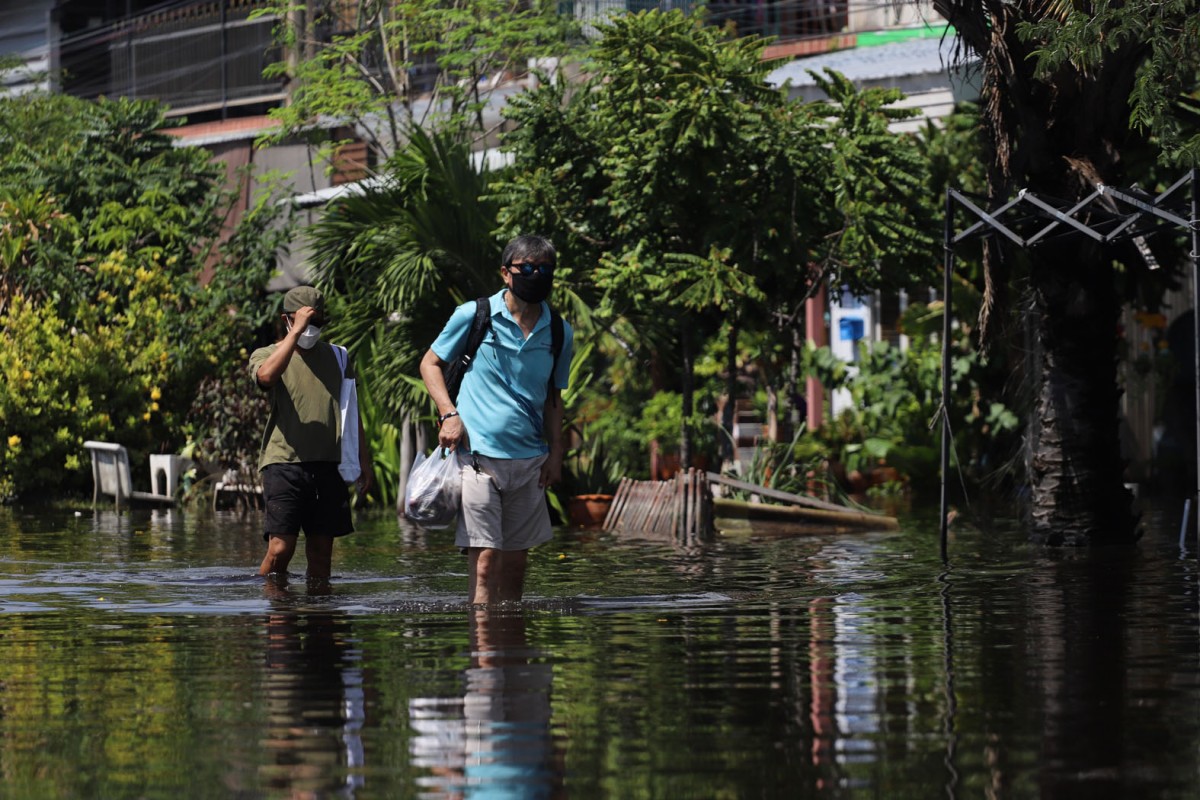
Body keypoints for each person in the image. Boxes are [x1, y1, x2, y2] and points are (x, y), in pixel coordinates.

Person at [419, 235, 574, 605]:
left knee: (516, 565)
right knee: (486, 562)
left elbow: (555, 398)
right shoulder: (475, 315)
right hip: (478, 458)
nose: (537, 275)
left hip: (530, 462)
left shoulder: (558, 330)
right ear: (506, 273)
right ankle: (484, 659)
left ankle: (512, 655)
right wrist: (449, 413)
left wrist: (556, 455)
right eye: (528, 269)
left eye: (545, 269)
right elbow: (430, 364)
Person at [249, 285, 373, 582]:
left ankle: (321, 621)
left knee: (321, 554)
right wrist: (295, 334)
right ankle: (275, 610)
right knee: (280, 548)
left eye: (316, 323)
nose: (309, 329)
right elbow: (265, 377)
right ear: (286, 320)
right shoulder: (267, 354)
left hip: (328, 465)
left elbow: (351, 411)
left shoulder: (338, 357)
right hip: (283, 464)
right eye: (304, 321)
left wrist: (364, 461)